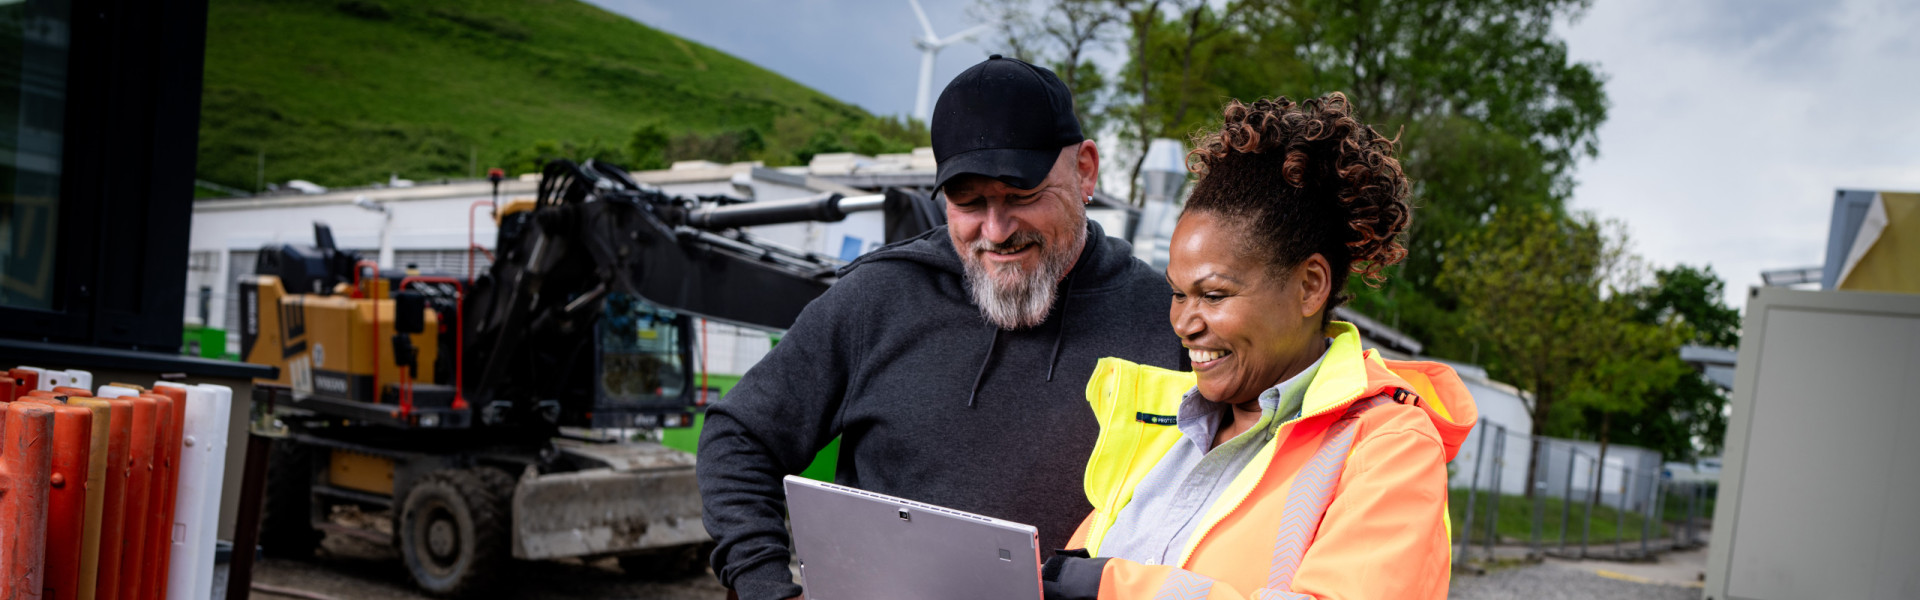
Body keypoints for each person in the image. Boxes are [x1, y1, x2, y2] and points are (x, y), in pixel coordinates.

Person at [696, 55, 1186, 600]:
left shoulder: (1171, 320)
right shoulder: (879, 299)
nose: (996, 232)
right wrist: (761, 584)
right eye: (969, 202)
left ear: (1086, 169)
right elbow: (738, 435)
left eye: (1021, 196)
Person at [1039, 93, 1479, 600]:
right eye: (1178, 294)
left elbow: (1105, 585)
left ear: (1311, 285)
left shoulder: (1388, 447)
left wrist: (1112, 587)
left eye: (1214, 294)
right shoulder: (1165, 430)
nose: (1184, 322)